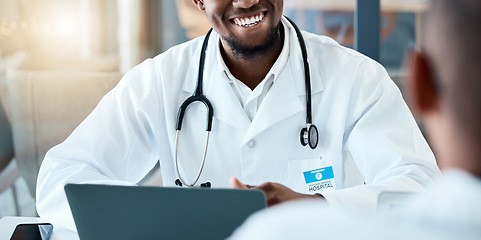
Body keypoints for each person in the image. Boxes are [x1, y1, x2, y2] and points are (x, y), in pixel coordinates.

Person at [36, 0, 440, 232]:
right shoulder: (158, 81)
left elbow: (419, 187)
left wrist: (315, 206)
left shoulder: (356, 78)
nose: (247, 0)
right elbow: (61, 179)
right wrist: (155, 218)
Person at [229, 0, 481, 239]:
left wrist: (317, 203)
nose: (245, 1)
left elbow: (416, 181)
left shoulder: (278, 233)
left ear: (419, 83)